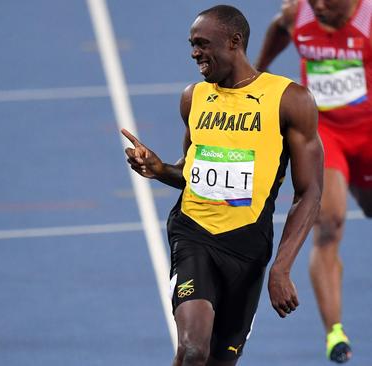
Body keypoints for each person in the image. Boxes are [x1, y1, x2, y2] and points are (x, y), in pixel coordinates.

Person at [123, 5, 323, 365]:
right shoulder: (194, 97)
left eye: (202, 43)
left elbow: (309, 192)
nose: (194, 52)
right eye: (191, 44)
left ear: (234, 42)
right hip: (193, 235)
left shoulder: (289, 100)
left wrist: (282, 267)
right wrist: (159, 168)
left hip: (247, 248)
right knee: (193, 349)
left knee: (220, 359)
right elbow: (189, 173)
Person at [255, 0, 372, 362]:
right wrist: (259, 71)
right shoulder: (297, 15)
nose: (318, 6)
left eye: (328, 1)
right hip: (326, 135)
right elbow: (278, 27)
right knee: (328, 224)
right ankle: (334, 333)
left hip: (368, 133)